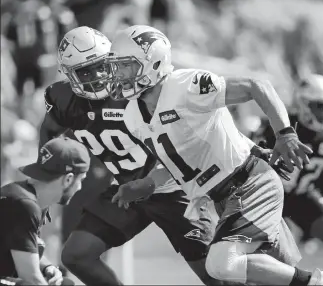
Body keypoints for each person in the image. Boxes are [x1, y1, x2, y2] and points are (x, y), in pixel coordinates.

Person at [104, 25, 323, 285]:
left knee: (221, 263)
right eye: (116, 66)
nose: (118, 74)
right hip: (222, 198)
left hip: (249, 182)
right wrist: (145, 184)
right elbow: (177, 165)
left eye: (125, 65)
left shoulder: (185, 86)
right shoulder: (133, 115)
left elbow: (256, 86)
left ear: (153, 62)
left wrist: (285, 134)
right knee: (255, 276)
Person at [39, 26, 220, 286]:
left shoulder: (137, 91)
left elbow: (186, 139)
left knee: (216, 275)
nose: (97, 76)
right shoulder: (64, 99)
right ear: (69, 75)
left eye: (101, 66)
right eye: (85, 71)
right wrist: (47, 182)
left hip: (173, 189)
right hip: (125, 191)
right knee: (76, 254)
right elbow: (49, 129)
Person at [255, 74, 323, 271]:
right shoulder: (281, 126)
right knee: (278, 257)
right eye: (319, 106)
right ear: (303, 104)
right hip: (271, 199)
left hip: (303, 197)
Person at [0, 137, 90, 285]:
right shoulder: (24, 205)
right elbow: (31, 278)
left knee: (65, 283)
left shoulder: (30, 197)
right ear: (68, 179)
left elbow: (24, 247)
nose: (79, 187)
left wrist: (48, 267)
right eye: (81, 180)